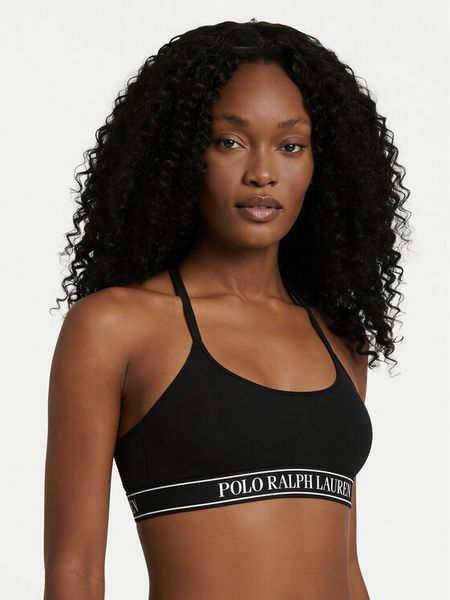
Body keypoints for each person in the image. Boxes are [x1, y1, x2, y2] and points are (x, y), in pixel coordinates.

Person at [43, 19, 411, 600]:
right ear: (182, 153)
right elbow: (76, 572)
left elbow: (346, 568)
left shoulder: (338, 338)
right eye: (230, 141)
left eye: (290, 146)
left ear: (322, 164)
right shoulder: (115, 327)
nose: (262, 173)